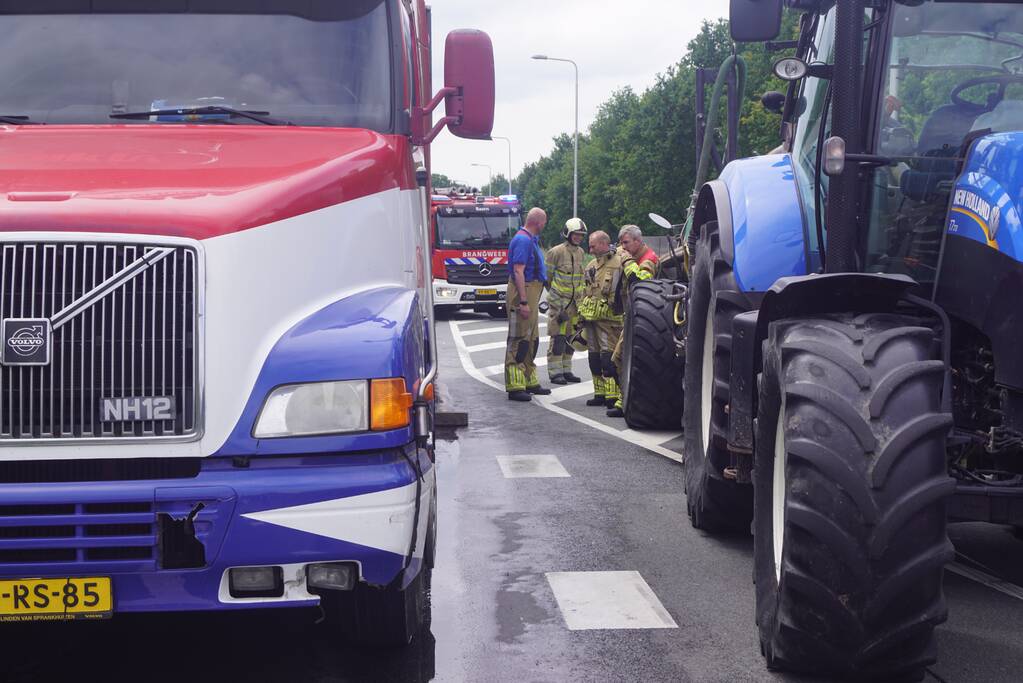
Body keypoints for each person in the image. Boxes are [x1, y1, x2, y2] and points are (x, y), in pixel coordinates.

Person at [607, 224, 659, 418]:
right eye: (621, 243)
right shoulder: (635, 256)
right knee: (618, 359)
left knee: (618, 358)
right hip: (632, 316)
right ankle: (624, 401)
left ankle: (627, 401)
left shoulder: (649, 258)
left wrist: (627, 260)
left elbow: (640, 281)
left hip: (643, 319)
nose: (623, 247)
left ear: (638, 240)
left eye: (626, 243)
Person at [504, 207, 551, 402]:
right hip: (524, 291)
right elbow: (518, 271)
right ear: (538, 222)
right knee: (519, 339)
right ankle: (515, 386)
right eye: (544, 222)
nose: (545, 225)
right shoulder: (523, 240)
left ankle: (529, 380)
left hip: (533, 290)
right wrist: (523, 301)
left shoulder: (530, 240)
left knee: (532, 339)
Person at [578, 230, 623, 409]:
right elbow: (584, 291)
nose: (590, 248)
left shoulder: (618, 264)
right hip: (591, 320)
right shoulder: (591, 265)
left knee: (608, 357)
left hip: (610, 321)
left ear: (604, 244)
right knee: (594, 357)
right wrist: (580, 314)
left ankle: (613, 395)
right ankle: (600, 393)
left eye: (593, 245)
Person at [545, 218, 587, 385]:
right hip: (559, 305)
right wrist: (556, 304)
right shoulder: (555, 252)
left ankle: (566, 370)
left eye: (581, 235)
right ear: (568, 234)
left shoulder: (581, 253)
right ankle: (555, 373)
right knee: (558, 339)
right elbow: (547, 280)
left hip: (575, 306)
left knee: (571, 339)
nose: (578, 238)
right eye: (576, 234)